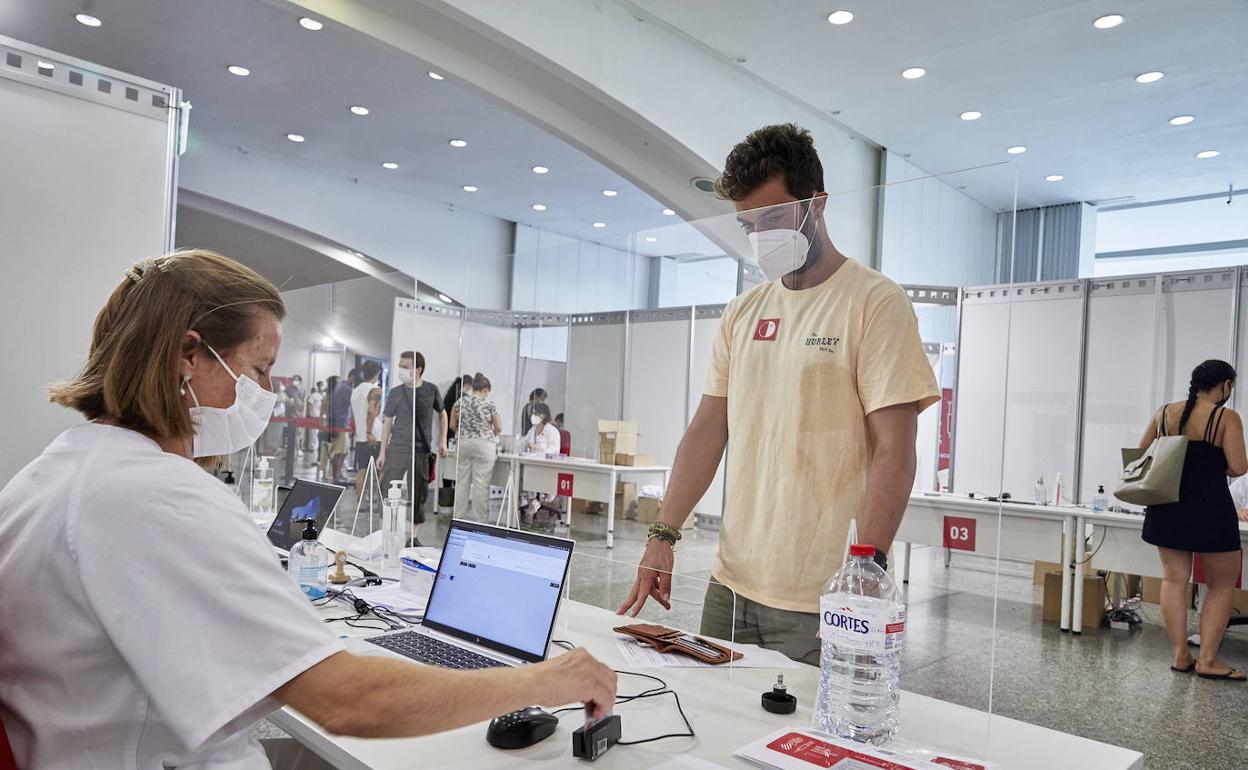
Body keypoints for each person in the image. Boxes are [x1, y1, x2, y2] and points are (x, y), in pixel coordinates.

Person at [0, 250, 615, 769]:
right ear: (189, 356)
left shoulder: (52, 472)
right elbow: (348, 702)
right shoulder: (159, 496)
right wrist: (545, 681)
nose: (265, 393)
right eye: (258, 368)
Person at [617, 124, 939, 664]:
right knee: (718, 731)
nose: (761, 236)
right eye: (749, 224)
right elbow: (706, 431)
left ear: (818, 204)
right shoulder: (743, 312)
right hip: (733, 585)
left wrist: (867, 565)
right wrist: (661, 535)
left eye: (772, 219)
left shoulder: (874, 303)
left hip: (827, 592)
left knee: (813, 742)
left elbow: (895, 449)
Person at [1138, 359, 1247, 681]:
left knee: (1173, 580)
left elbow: (1141, 453)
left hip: (1166, 506)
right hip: (1211, 507)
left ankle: (1180, 654)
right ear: (1225, 385)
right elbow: (1239, 467)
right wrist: (1211, 466)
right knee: (1221, 584)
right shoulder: (1225, 417)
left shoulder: (1163, 413)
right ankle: (1208, 661)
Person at [378, 351, 448, 524]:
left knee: (419, 494)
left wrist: (443, 440)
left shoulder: (431, 390)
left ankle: (413, 536)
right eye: (400, 366)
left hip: (421, 450)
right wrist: (382, 452)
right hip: (397, 448)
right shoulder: (396, 392)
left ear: (418, 369)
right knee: (386, 488)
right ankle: (385, 528)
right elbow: (387, 422)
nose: (401, 370)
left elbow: (443, 413)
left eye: (405, 367)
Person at [450, 373, 502, 520]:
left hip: (464, 443)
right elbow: (498, 427)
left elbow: (452, 425)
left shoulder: (460, 402)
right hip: (484, 446)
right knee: (481, 484)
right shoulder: (489, 404)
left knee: (461, 483)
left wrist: (466, 432)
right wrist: (489, 433)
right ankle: (480, 521)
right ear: (485, 389)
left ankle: (458, 517)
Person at [351, 361, 383, 498]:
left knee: (361, 470)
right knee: (381, 471)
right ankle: (380, 503)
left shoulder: (356, 390)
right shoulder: (375, 390)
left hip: (360, 437)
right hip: (374, 435)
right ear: (377, 373)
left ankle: (361, 501)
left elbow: (354, 414)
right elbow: (371, 411)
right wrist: (369, 432)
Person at [327, 371, 353, 484]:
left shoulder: (340, 387)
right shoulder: (345, 389)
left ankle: (338, 474)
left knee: (344, 451)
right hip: (340, 424)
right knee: (339, 452)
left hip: (341, 423)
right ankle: (335, 477)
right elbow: (352, 402)